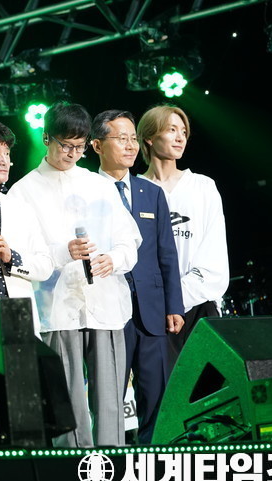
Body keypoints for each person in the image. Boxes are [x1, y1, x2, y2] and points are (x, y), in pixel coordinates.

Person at [8, 102, 141, 447]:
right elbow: (22, 256)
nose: (72, 154)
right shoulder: (23, 191)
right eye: (65, 145)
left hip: (104, 303)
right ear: (46, 138)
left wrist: (113, 259)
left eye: (79, 147)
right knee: (67, 403)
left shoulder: (99, 185)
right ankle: (71, 467)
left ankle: (112, 462)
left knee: (110, 402)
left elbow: (129, 240)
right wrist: (62, 252)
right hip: (56, 307)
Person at [91, 109, 184, 444]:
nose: (130, 146)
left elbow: (167, 254)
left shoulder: (151, 193)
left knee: (157, 396)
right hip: (108, 311)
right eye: (121, 139)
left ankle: (155, 460)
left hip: (152, 311)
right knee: (110, 398)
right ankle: (111, 461)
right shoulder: (87, 190)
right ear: (97, 145)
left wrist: (174, 305)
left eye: (133, 138)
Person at [136, 105, 229, 363]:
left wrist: (176, 300)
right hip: (153, 313)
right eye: (171, 130)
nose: (180, 138)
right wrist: (160, 303)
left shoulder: (203, 187)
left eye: (184, 132)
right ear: (149, 137)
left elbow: (214, 259)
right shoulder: (136, 190)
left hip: (199, 306)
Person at [0, 120, 55, 333]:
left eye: (6, 154)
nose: (4, 160)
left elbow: (45, 265)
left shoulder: (20, 207)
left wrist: (12, 257)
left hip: (18, 312)